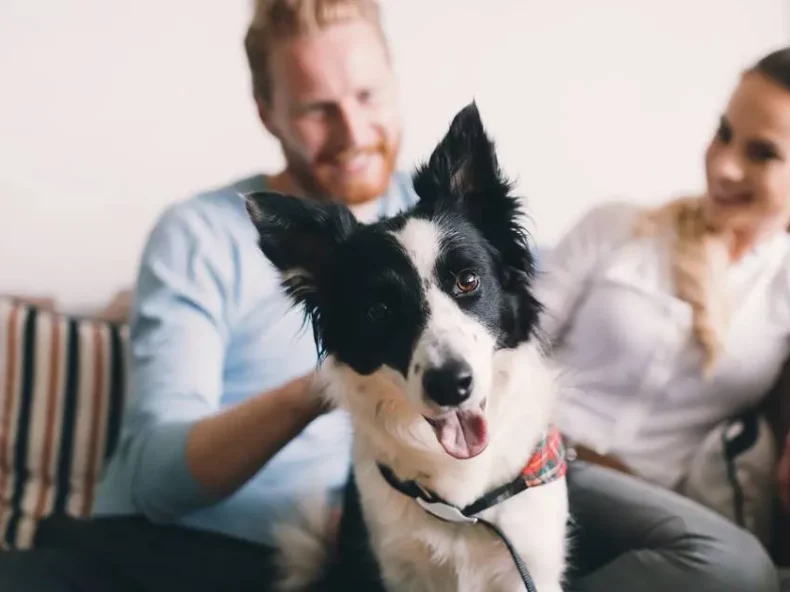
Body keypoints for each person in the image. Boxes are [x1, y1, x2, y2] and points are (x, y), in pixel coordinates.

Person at [0, 1, 778, 590]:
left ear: (396, 86)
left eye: (368, 95)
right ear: (266, 112)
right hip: (202, 549)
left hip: (411, 524)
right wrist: (332, 385)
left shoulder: (441, 213)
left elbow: (518, 301)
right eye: (316, 108)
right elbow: (155, 481)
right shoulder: (205, 235)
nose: (353, 129)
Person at [537, 47, 790, 590]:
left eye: (762, 152)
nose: (724, 165)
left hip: (649, 519)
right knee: (742, 569)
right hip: (535, 459)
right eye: (724, 133)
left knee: (743, 570)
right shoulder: (615, 229)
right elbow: (503, 345)